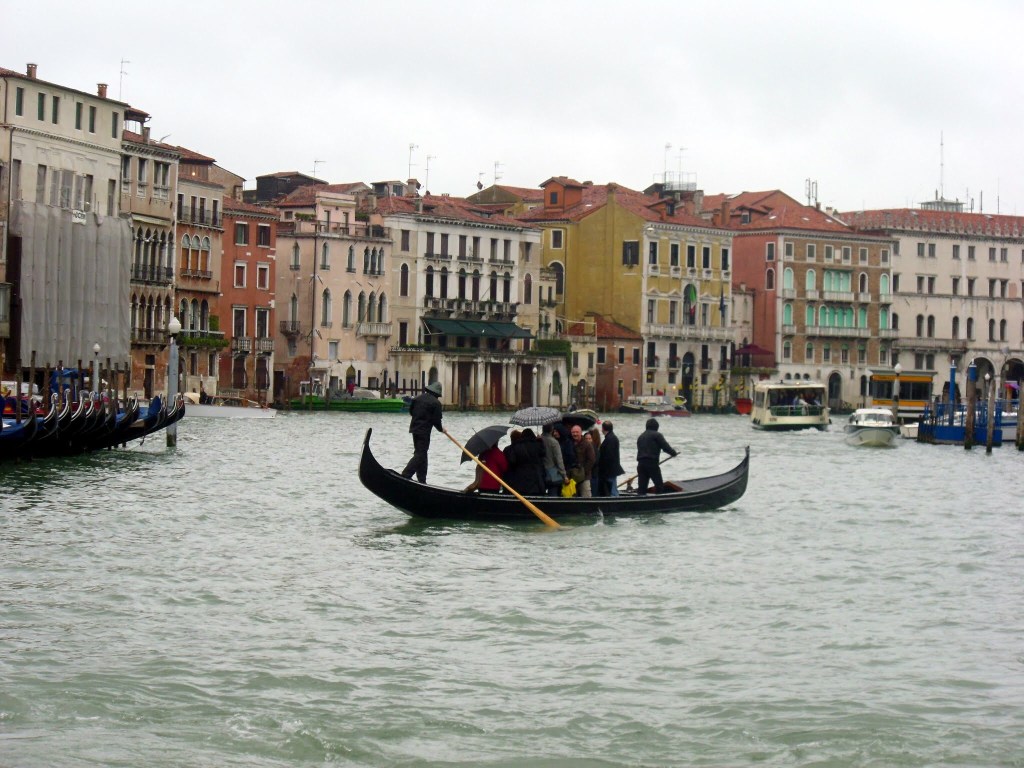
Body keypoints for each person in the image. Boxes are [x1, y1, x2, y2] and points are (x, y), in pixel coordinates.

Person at [401, 380, 443, 483]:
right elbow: (436, 420)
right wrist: (441, 429)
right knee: (421, 454)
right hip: (424, 431)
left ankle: (422, 480)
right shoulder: (436, 403)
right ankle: (406, 474)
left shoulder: (417, 398)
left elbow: (411, 412)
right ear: (437, 394)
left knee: (421, 453)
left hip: (415, 429)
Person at [635, 417, 678, 495]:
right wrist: (673, 453)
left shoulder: (640, 437)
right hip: (652, 464)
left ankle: (640, 502)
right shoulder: (657, 435)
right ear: (656, 427)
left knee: (642, 488)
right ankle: (659, 502)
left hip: (640, 464)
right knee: (659, 486)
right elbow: (665, 447)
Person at [503, 428, 546, 496]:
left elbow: (512, 461)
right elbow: (543, 454)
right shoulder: (538, 445)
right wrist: (540, 441)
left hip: (521, 481)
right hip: (536, 480)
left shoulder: (517, 446)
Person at [597, 420, 625, 496]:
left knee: (612, 488)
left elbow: (609, 456)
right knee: (612, 487)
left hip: (609, 470)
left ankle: (615, 502)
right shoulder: (612, 438)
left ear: (603, 429)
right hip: (611, 469)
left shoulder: (610, 439)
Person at [569, 424, 596, 498]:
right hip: (572, 477)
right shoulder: (569, 443)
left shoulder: (587, 444)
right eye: (573, 432)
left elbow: (592, 460)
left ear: (581, 433)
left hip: (585, 477)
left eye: (577, 432)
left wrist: (583, 471)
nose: (575, 434)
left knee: (586, 496)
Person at [540, 423, 567, 496]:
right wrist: (564, 475)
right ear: (551, 430)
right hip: (552, 474)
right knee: (553, 493)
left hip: (540, 472)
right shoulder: (554, 442)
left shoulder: (538, 440)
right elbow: (559, 460)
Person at [586, 427, 602, 496]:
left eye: (589, 439)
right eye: (587, 439)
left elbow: (595, 461)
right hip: (594, 474)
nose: (588, 440)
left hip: (593, 474)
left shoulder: (594, 448)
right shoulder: (596, 447)